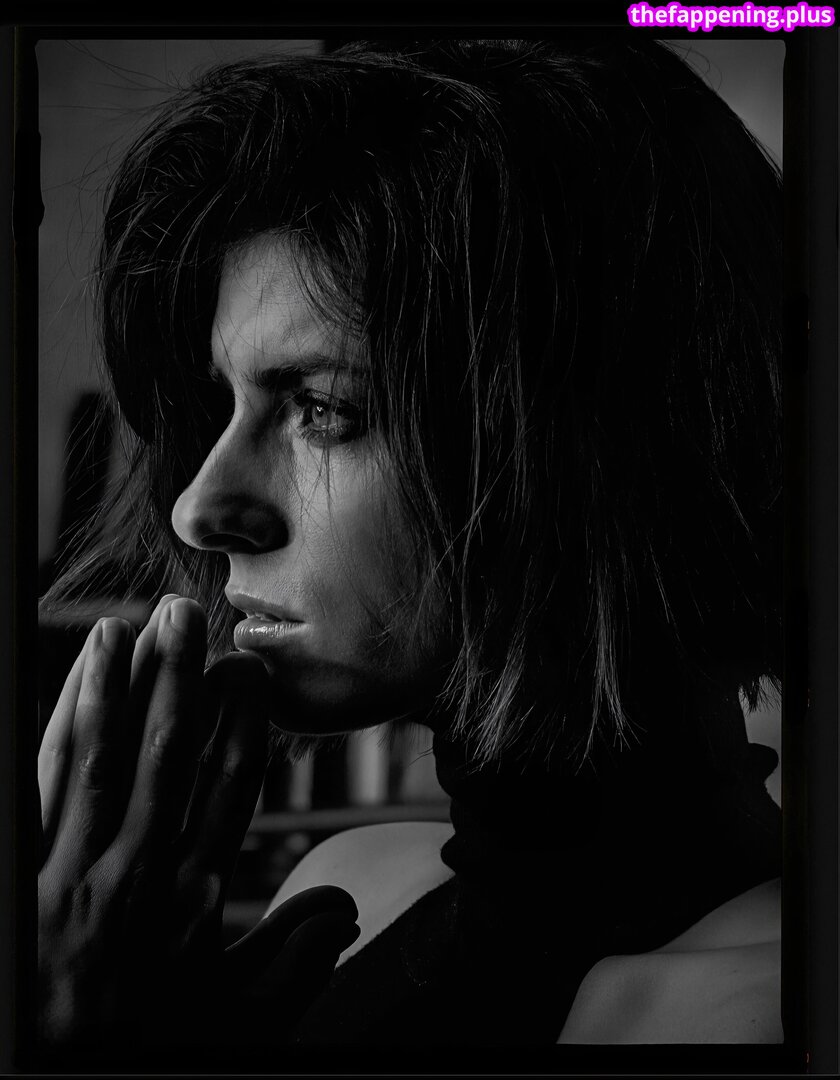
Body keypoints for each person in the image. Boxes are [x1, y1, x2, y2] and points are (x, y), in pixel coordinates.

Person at [37, 35, 784, 1066]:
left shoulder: (768, 1015)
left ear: (589, 445)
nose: (199, 510)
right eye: (223, 404)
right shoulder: (347, 890)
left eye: (323, 408)